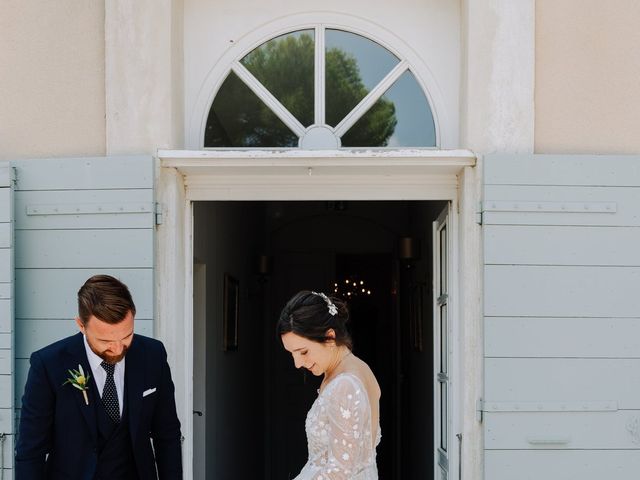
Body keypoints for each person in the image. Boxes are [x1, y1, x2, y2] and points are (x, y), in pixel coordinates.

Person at [15, 274, 182, 479]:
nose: (118, 348)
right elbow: (31, 450)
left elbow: (167, 434)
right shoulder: (48, 365)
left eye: (126, 336)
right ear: (81, 325)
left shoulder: (153, 354)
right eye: (105, 340)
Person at [277, 290, 381, 480]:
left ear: (330, 337)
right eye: (291, 353)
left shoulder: (345, 384)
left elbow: (339, 472)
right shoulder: (356, 368)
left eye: (303, 351)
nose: (297, 363)